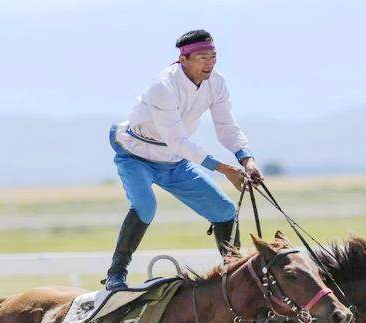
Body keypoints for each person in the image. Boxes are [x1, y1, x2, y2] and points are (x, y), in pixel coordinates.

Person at [104, 29, 263, 291]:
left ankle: (232, 276)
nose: (209, 63)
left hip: (174, 160)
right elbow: (177, 139)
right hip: (136, 155)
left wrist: (247, 160)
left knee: (224, 210)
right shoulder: (163, 87)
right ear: (184, 58)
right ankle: (116, 274)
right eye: (202, 57)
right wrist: (224, 169)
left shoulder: (217, 82)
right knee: (145, 206)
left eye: (213, 56)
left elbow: (227, 126)